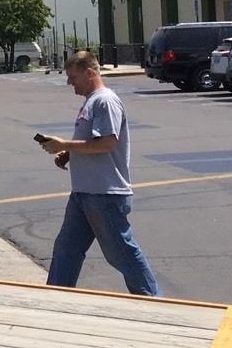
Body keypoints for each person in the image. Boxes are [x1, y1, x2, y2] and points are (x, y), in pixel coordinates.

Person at [38, 50, 159, 295]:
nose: (69, 82)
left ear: (90, 72)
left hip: (105, 194)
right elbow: (91, 141)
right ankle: (56, 297)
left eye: (73, 76)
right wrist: (70, 154)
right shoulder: (91, 101)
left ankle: (153, 300)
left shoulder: (105, 101)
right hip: (84, 192)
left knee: (121, 253)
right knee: (66, 248)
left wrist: (64, 145)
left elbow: (106, 143)